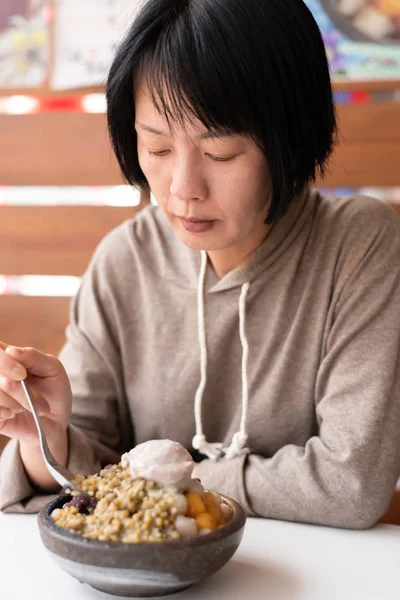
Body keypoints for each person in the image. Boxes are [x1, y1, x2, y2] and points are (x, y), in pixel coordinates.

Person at [1, 0, 400, 529]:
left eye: (221, 153)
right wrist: (46, 438)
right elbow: (80, 470)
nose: (183, 190)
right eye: (157, 149)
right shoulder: (125, 261)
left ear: (290, 138)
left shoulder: (359, 247)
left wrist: (162, 479)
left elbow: (350, 482)